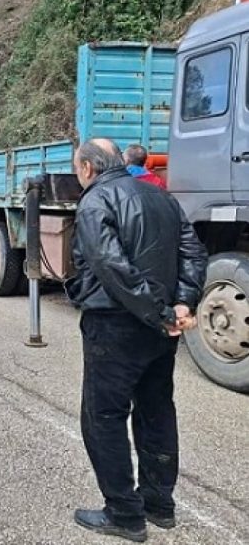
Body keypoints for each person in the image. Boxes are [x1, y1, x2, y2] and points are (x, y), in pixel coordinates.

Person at [65, 138, 207, 542]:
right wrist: (181, 303)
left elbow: (112, 266)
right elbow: (194, 253)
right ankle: (160, 505)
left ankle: (124, 514)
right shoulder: (161, 198)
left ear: (89, 168)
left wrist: (160, 312)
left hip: (116, 325)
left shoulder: (95, 202)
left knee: (103, 418)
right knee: (156, 410)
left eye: (78, 170)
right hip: (159, 329)